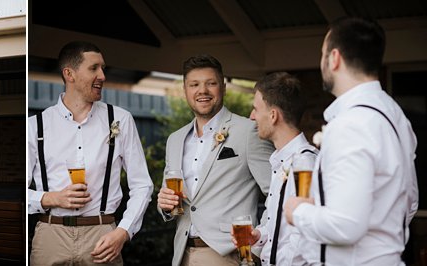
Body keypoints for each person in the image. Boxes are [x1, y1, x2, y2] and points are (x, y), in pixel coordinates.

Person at [283, 17, 418, 265]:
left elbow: (346, 225)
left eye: (323, 53)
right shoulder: (395, 116)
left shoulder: (352, 124)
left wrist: (298, 211)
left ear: (334, 58)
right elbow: (410, 202)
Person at [27, 41, 153, 265]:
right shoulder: (35, 126)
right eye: (94, 68)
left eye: (102, 68)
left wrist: (123, 231)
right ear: (69, 74)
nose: (102, 76)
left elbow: (142, 184)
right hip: (50, 236)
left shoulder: (120, 120)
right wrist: (50, 197)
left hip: (103, 234)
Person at [157, 54, 274, 266]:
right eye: (194, 84)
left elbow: (278, 193)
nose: (202, 91)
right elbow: (174, 200)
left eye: (211, 83)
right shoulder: (174, 140)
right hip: (181, 254)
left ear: (223, 88)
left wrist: (256, 245)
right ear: (185, 91)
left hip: (228, 255)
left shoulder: (248, 131)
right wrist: (164, 205)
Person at [233, 72, 316, 266]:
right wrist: (258, 236)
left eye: (255, 109)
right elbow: (280, 225)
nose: (251, 116)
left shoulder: (305, 165)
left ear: (273, 116)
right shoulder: (280, 162)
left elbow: (305, 236)